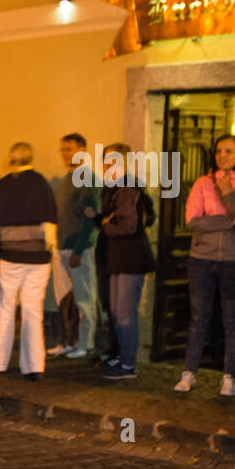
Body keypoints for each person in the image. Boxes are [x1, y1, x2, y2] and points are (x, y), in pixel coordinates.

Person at [173, 134, 235, 397]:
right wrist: (227, 221)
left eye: (229, 151)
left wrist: (228, 193)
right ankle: (189, 372)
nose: (223, 156)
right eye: (219, 151)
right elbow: (192, 221)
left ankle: (228, 377)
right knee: (199, 318)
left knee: (231, 320)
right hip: (201, 259)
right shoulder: (202, 183)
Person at [0, 142, 58, 380]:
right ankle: (35, 367)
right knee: (33, 311)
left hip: (9, 256)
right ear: (30, 157)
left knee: (5, 310)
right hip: (38, 258)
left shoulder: (0, 187)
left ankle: (0, 363)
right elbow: (51, 223)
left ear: (11, 159)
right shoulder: (42, 184)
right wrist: (48, 249)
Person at [98, 143, 156, 379]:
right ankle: (123, 357)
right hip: (119, 257)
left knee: (124, 313)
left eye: (113, 161)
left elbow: (130, 225)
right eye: (106, 161)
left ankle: (128, 364)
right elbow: (147, 217)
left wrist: (106, 225)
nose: (108, 165)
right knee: (116, 310)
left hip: (131, 257)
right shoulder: (116, 188)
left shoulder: (127, 187)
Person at [48, 133, 100, 359]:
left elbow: (91, 219)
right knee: (64, 299)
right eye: (63, 149)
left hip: (79, 250)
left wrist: (79, 250)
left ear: (82, 150)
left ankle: (85, 344)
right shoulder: (65, 181)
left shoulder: (88, 180)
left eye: (70, 149)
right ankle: (67, 340)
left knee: (84, 299)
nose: (66, 154)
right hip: (61, 249)